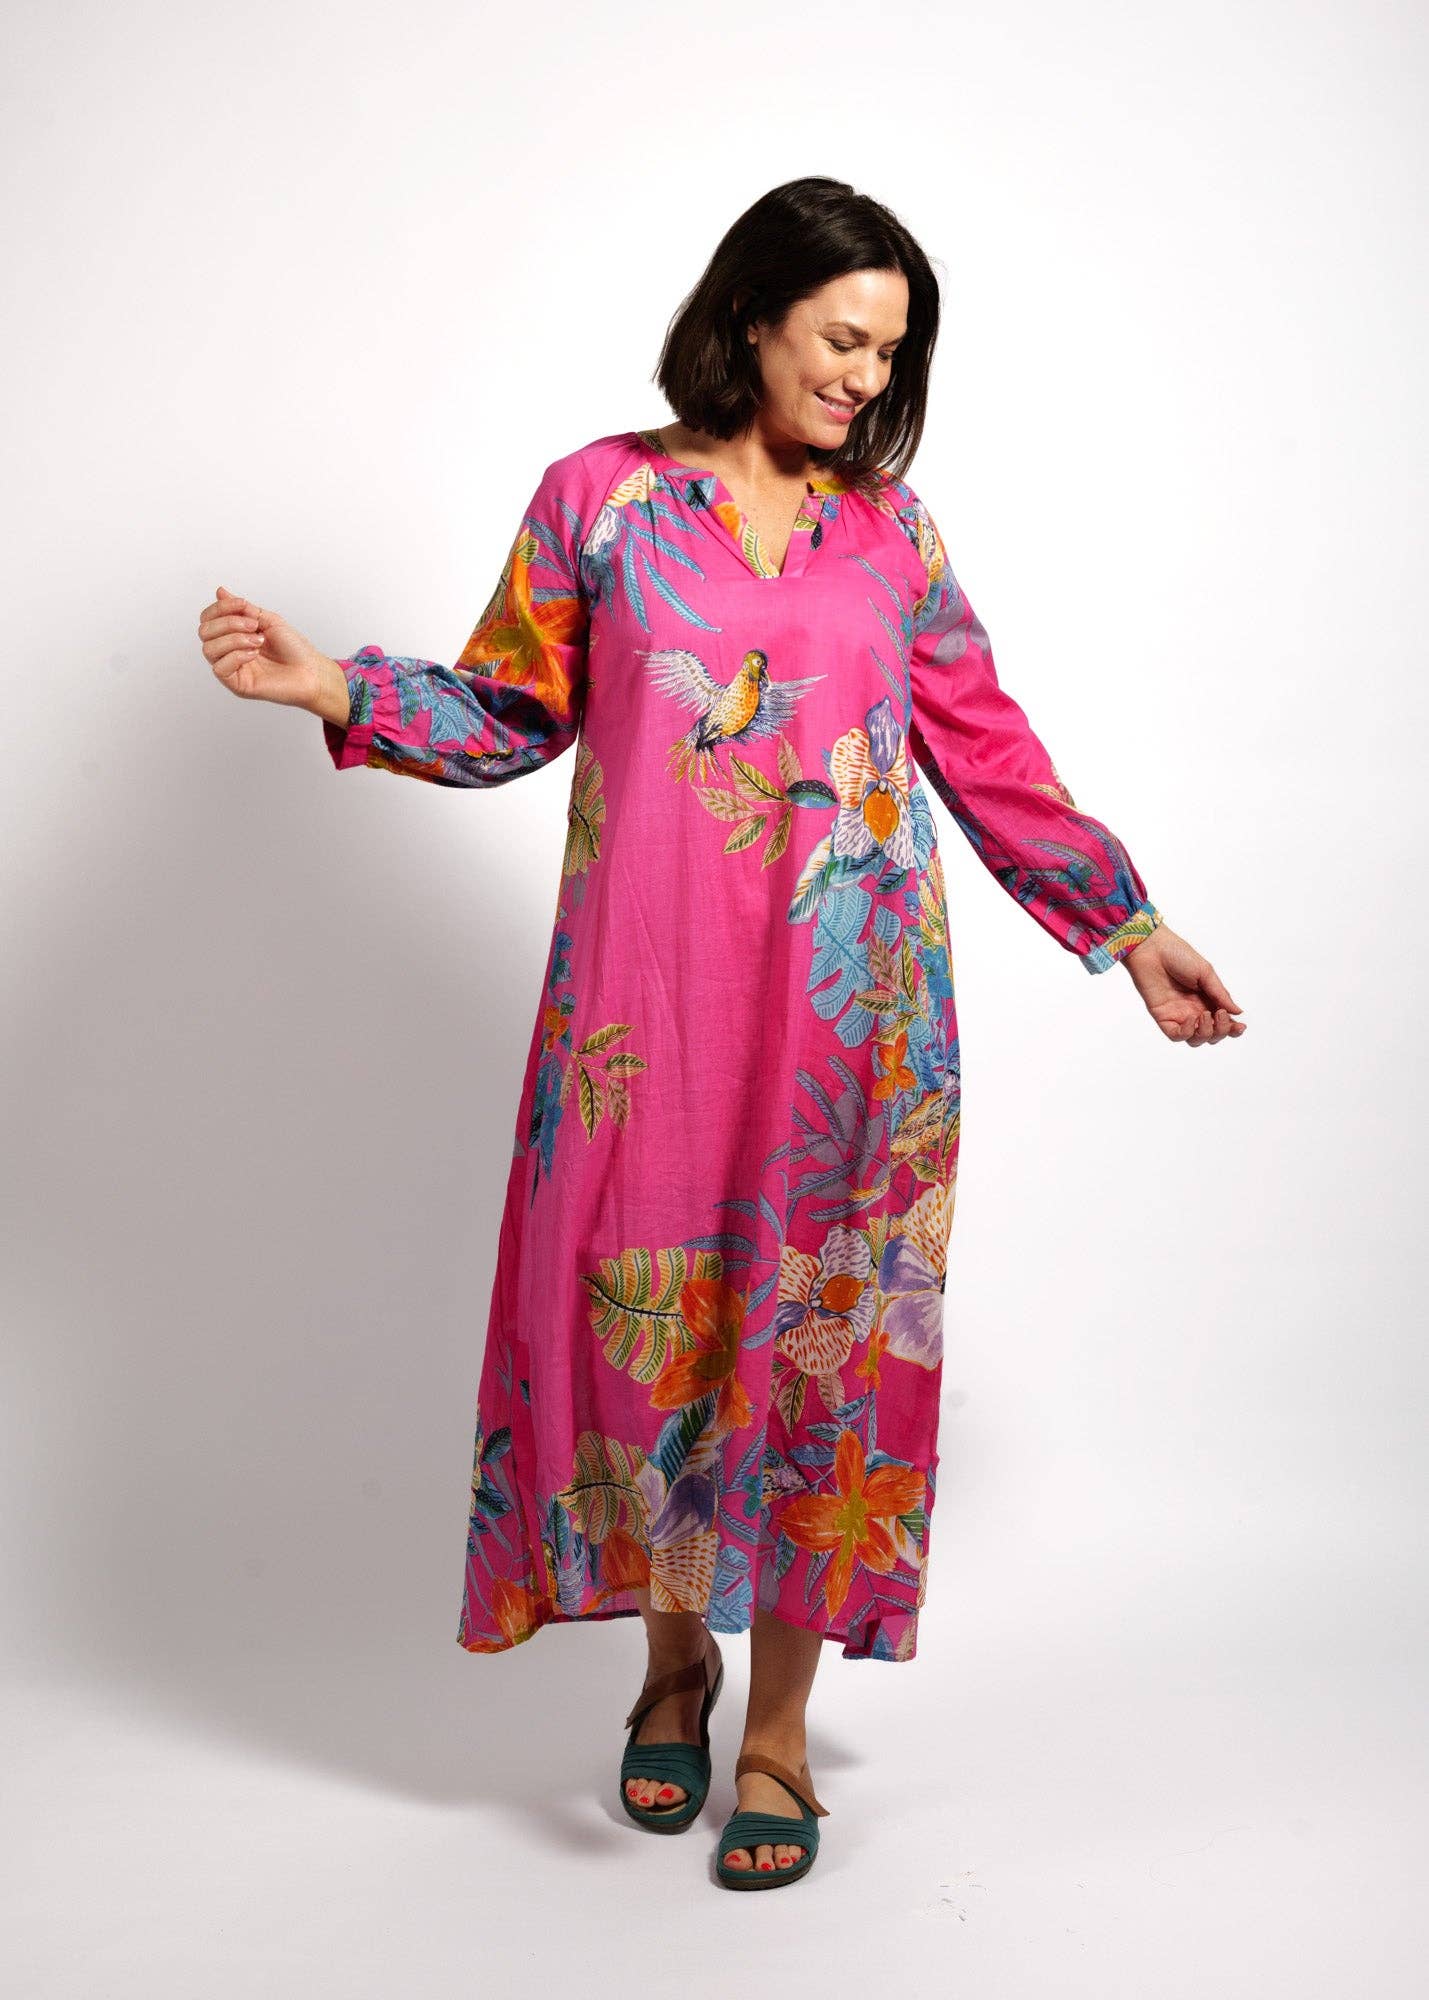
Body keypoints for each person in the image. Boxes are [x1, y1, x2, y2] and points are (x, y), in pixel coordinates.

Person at [196, 177, 1244, 1891]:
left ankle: (777, 1735)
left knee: (815, 1351)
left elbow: (985, 751)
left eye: (887, 351)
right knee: (651, 1337)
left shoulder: (891, 535)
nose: (861, 377)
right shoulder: (599, 500)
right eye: (839, 337)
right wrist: (337, 689)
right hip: (643, 1009)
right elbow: (511, 706)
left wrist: (1124, 929)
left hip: (854, 1024)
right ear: (751, 315)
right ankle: (669, 1673)